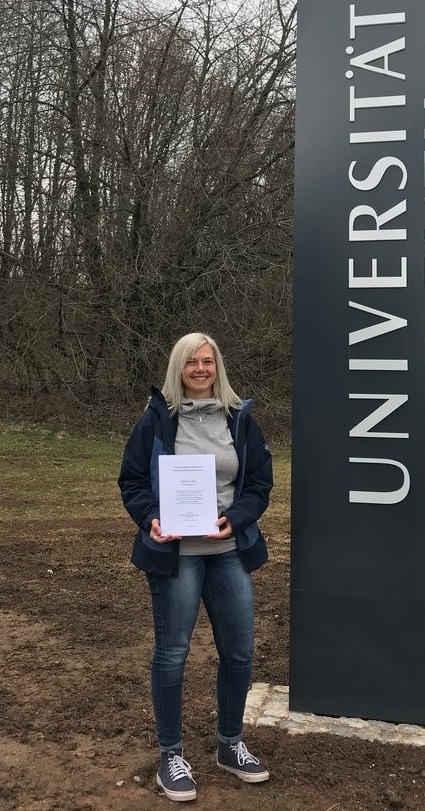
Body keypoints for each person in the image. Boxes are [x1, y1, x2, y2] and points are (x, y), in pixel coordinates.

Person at [118, 332, 273, 803]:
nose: (200, 369)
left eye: (207, 361)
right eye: (191, 362)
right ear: (178, 368)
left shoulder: (239, 420)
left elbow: (259, 485)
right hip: (175, 556)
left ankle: (230, 744)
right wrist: (151, 519)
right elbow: (132, 480)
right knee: (173, 653)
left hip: (227, 552)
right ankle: (171, 755)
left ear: (217, 367)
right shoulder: (156, 421)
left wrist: (237, 520)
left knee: (241, 652)